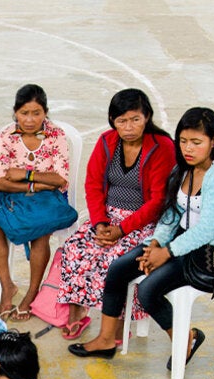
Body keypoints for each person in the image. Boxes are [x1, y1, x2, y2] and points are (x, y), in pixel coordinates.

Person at [69, 107, 214, 370]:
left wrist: (166, 252)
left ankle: (184, 338)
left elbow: (209, 228)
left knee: (147, 290)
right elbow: (171, 214)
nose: (188, 148)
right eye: (184, 141)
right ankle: (106, 339)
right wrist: (155, 244)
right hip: (183, 244)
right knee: (119, 267)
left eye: (197, 143)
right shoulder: (185, 169)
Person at [55, 89, 175, 340]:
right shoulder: (107, 141)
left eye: (135, 119)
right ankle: (77, 312)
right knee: (76, 247)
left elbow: (157, 201)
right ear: (113, 121)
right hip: (108, 217)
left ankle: (119, 324)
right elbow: (93, 185)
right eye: (121, 121)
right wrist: (100, 223)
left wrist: (122, 229)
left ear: (147, 117)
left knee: (114, 258)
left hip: (145, 221)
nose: (128, 127)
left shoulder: (161, 146)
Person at [0, 84, 73, 321]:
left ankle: (32, 292)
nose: (30, 119)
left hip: (48, 199)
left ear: (45, 112)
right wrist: (39, 184)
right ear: (15, 112)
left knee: (40, 230)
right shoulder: (6, 136)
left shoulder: (56, 135)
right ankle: (7, 287)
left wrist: (27, 176)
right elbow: (2, 183)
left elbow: (60, 179)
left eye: (36, 113)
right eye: (24, 113)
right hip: (13, 195)